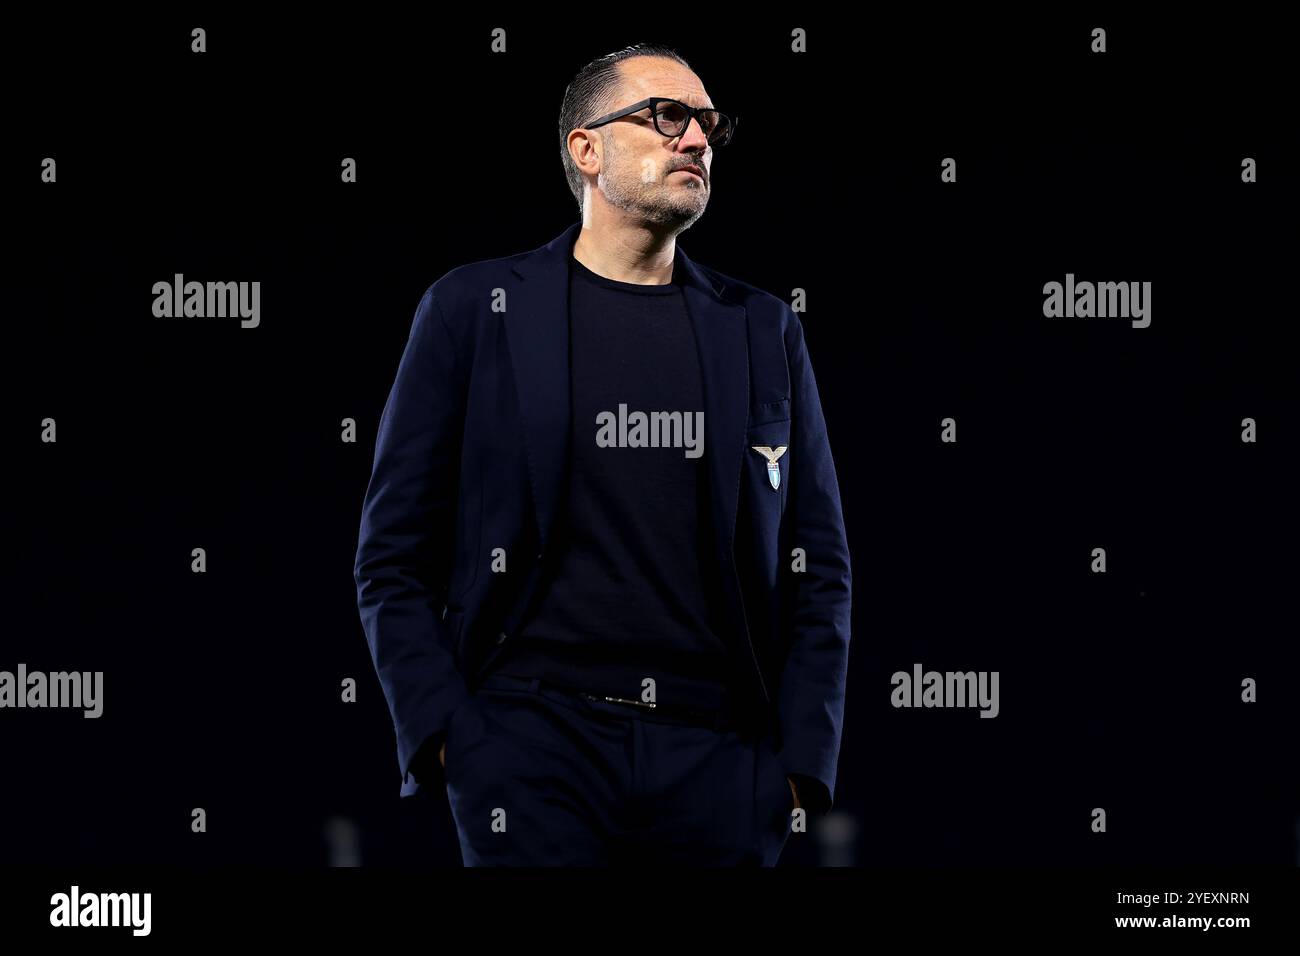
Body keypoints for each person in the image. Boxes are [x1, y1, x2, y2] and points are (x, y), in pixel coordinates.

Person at [353, 42, 851, 865]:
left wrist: (799, 767)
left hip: (723, 760)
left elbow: (820, 561)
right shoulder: (474, 309)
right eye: (666, 116)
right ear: (586, 149)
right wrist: (447, 736)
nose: (696, 139)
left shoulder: (763, 328)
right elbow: (392, 551)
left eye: (707, 124)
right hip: (532, 746)